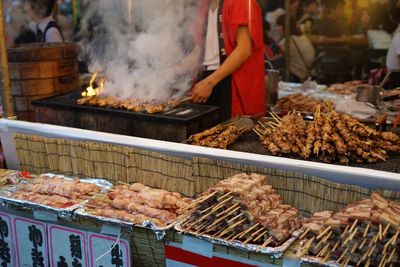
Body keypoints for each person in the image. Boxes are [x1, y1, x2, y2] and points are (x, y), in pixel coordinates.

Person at [191, 0, 265, 120]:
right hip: (206, 80)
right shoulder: (204, 6)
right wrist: (170, 72)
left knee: (230, 132)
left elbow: (244, 49)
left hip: (228, 80)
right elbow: (198, 53)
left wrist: (209, 82)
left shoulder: (239, 2)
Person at [276, 15, 316, 82]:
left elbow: (276, 56)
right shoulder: (302, 36)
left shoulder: (287, 41)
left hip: (299, 76)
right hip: (310, 73)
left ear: (284, 26)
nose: (277, 29)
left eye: (278, 26)